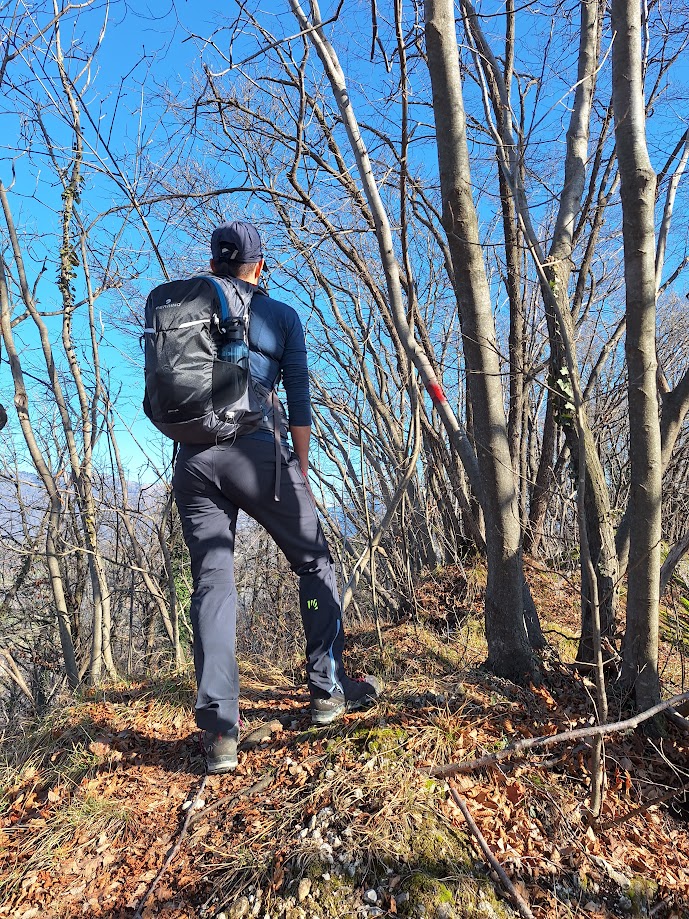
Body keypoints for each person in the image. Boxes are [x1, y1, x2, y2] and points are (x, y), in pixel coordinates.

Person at [172, 220, 381, 774]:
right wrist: (301, 470)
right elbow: (300, 397)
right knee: (313, 562)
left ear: (215, 265)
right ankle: (328, 689)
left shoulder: (190, 307)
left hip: (192, 461)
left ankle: (220, 731)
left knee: (213, 583)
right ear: (259, 266)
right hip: (257, 452)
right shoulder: (281, 315)